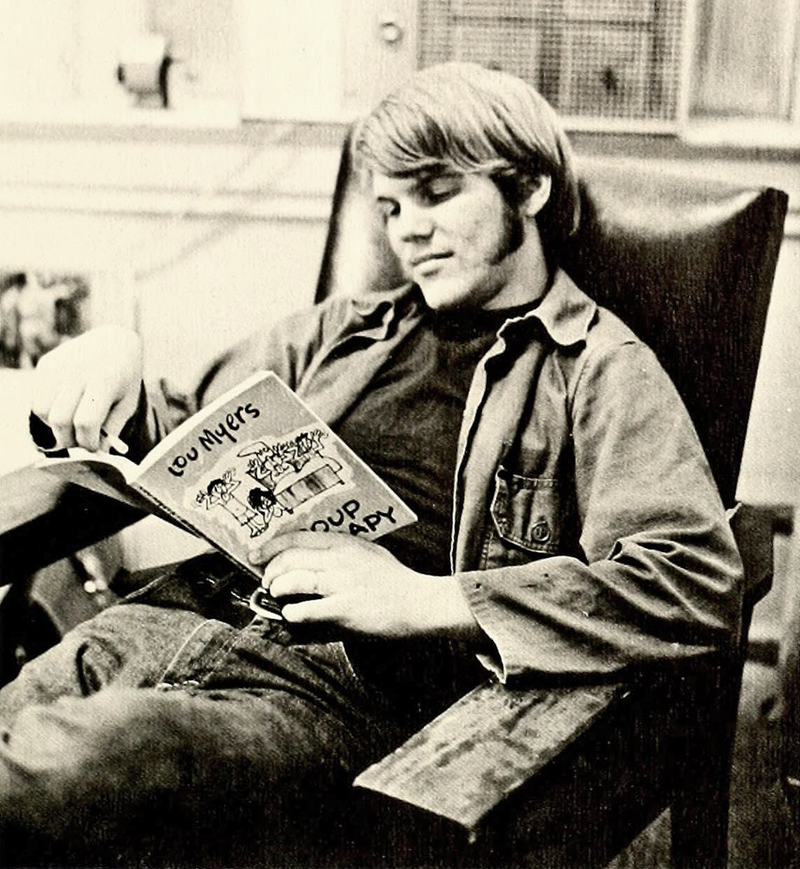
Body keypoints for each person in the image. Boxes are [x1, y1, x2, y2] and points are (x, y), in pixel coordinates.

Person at [0, 62, 743, 868]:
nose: (405, 231)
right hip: (166, 617)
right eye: (389, 208)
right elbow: (187, 425)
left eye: (435, 194)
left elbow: (691, 581)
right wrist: (116, 360)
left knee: (75, 764)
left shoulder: (599, 369)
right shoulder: (342, 330)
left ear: (528, 188)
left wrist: (428, 599)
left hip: (334, 687)